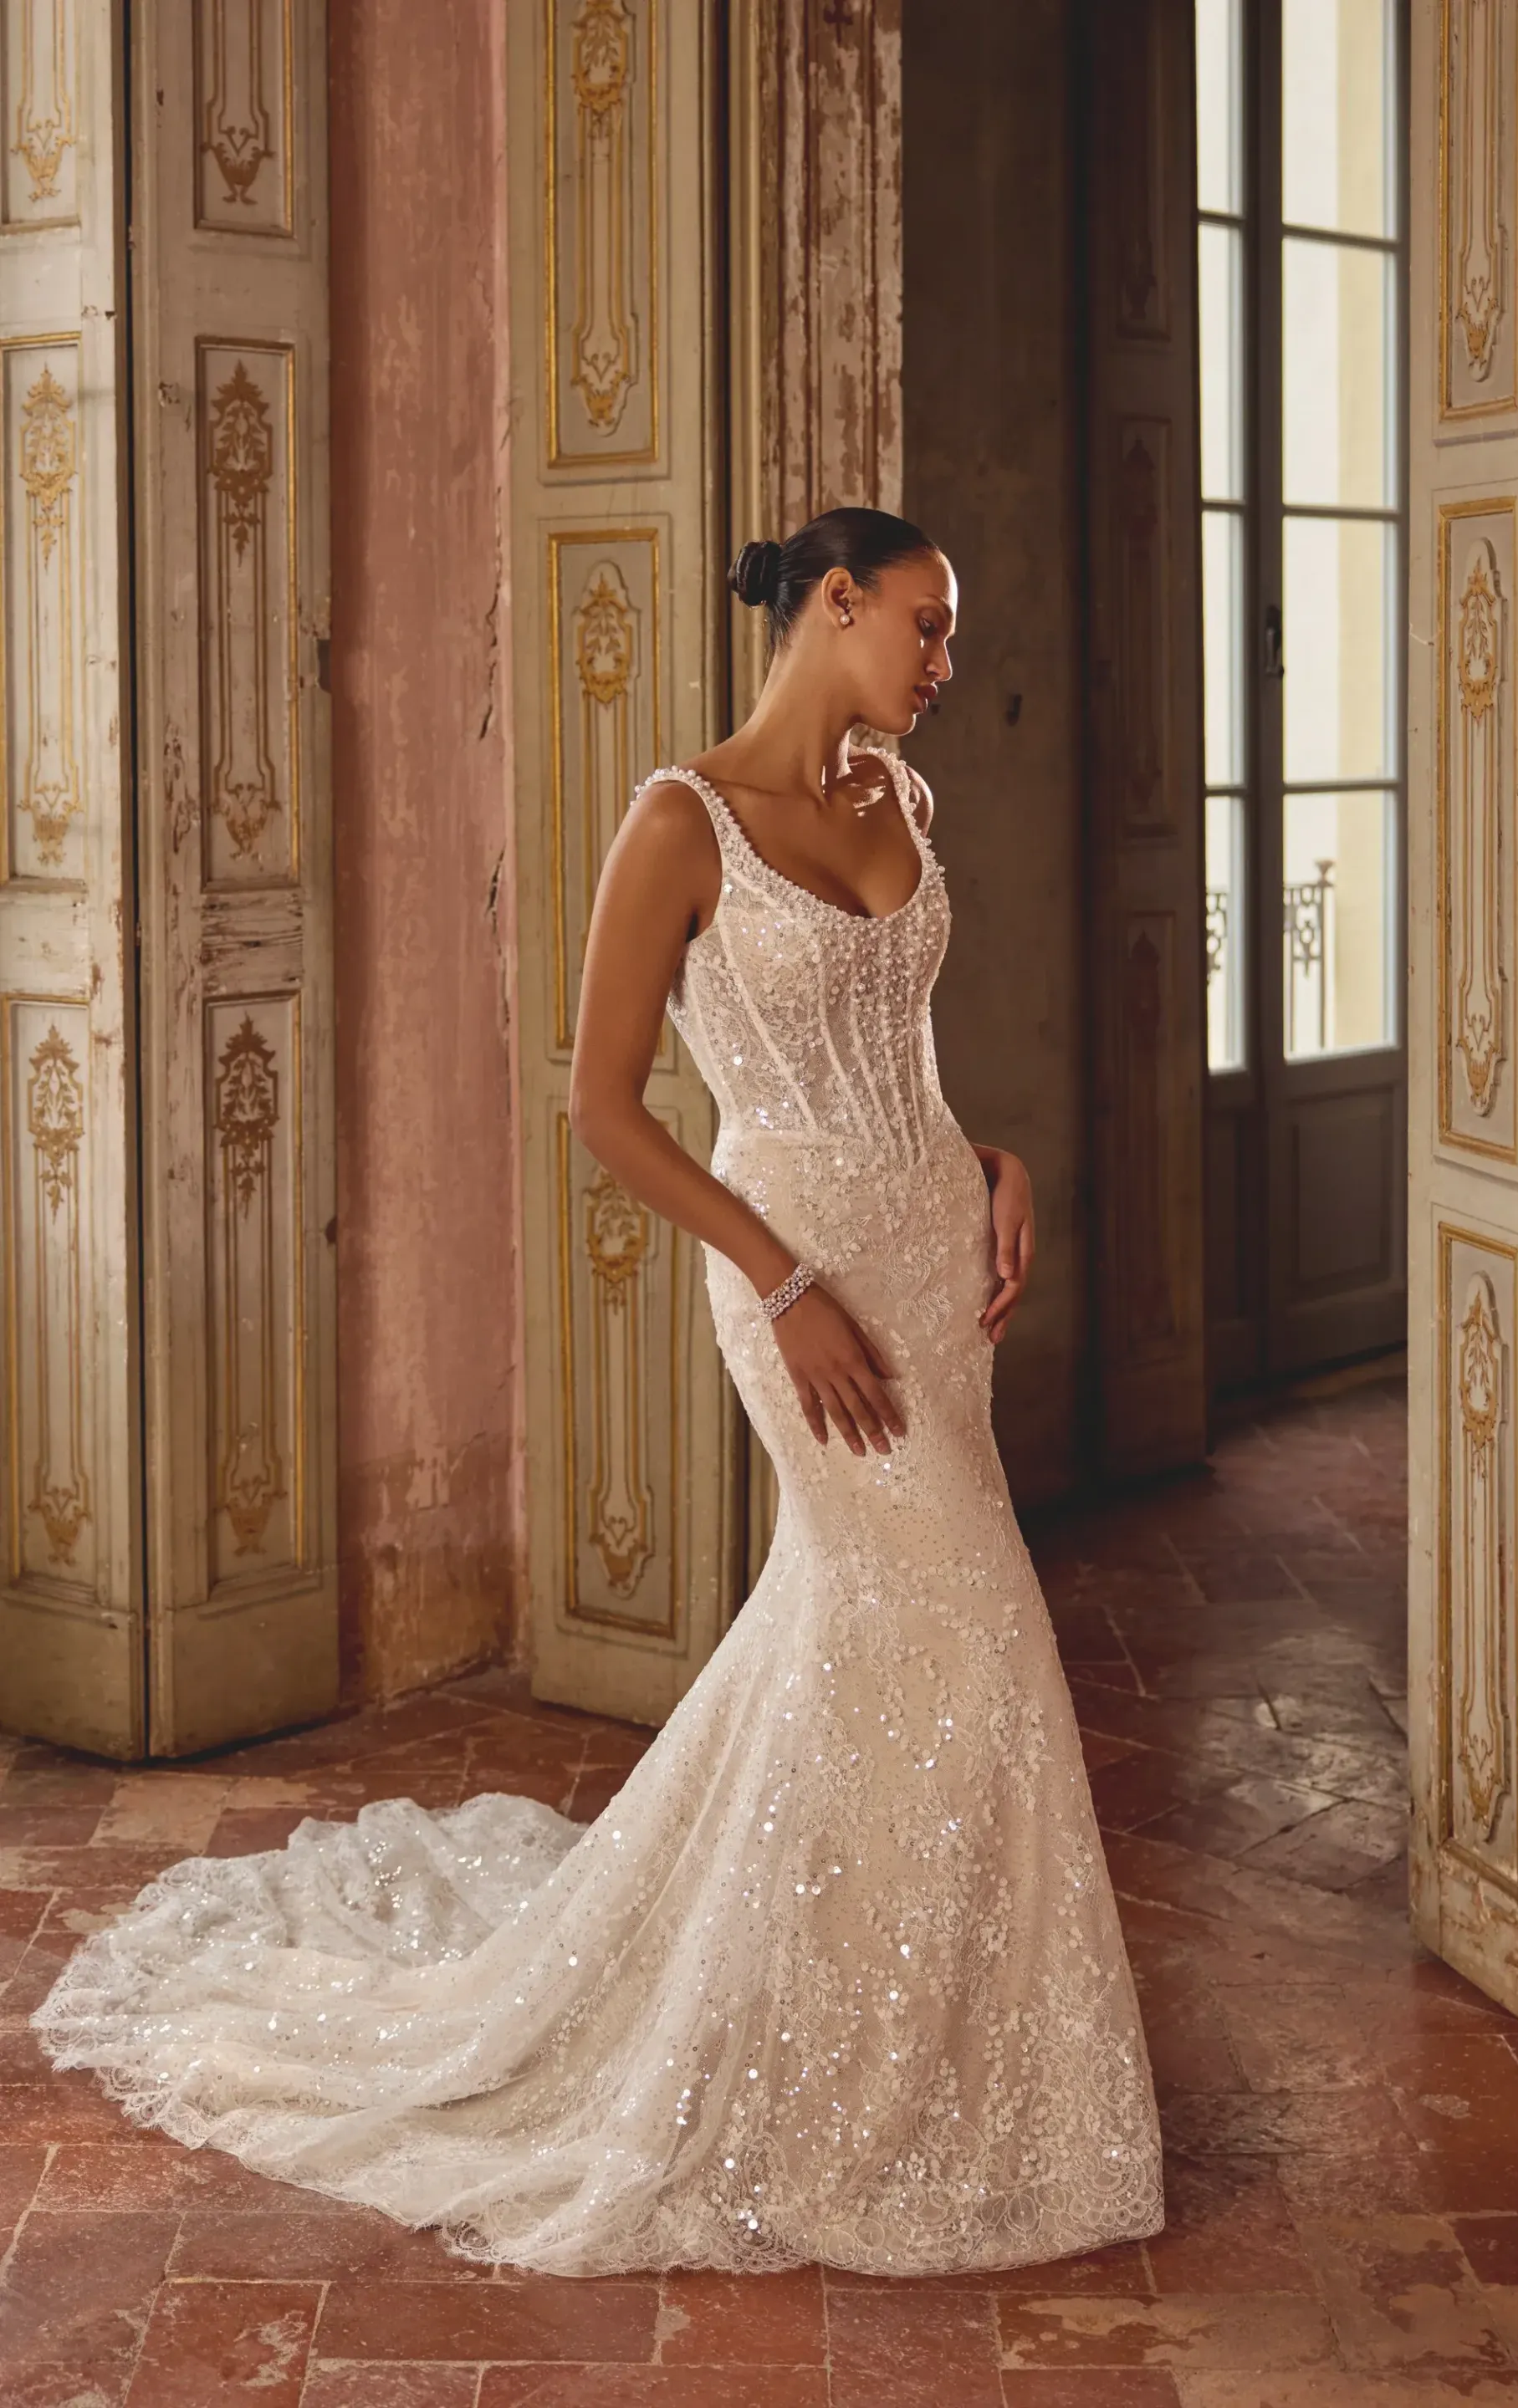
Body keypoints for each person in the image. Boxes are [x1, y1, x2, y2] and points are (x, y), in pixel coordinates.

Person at [31, 507, 1163, 2278]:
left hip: (934, 1265)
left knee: (870, 1639)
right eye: (927, 628)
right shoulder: (680, 821)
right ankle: (834, 2057)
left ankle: (897, 2036)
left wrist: (996, 1162)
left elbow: (898, 1069)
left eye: (955, 638)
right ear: (835, 605)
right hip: (794, 1286)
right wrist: (784, 1285)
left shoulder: (902, 807)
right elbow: (609, 1107)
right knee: (962, 1621)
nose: (948, 664)